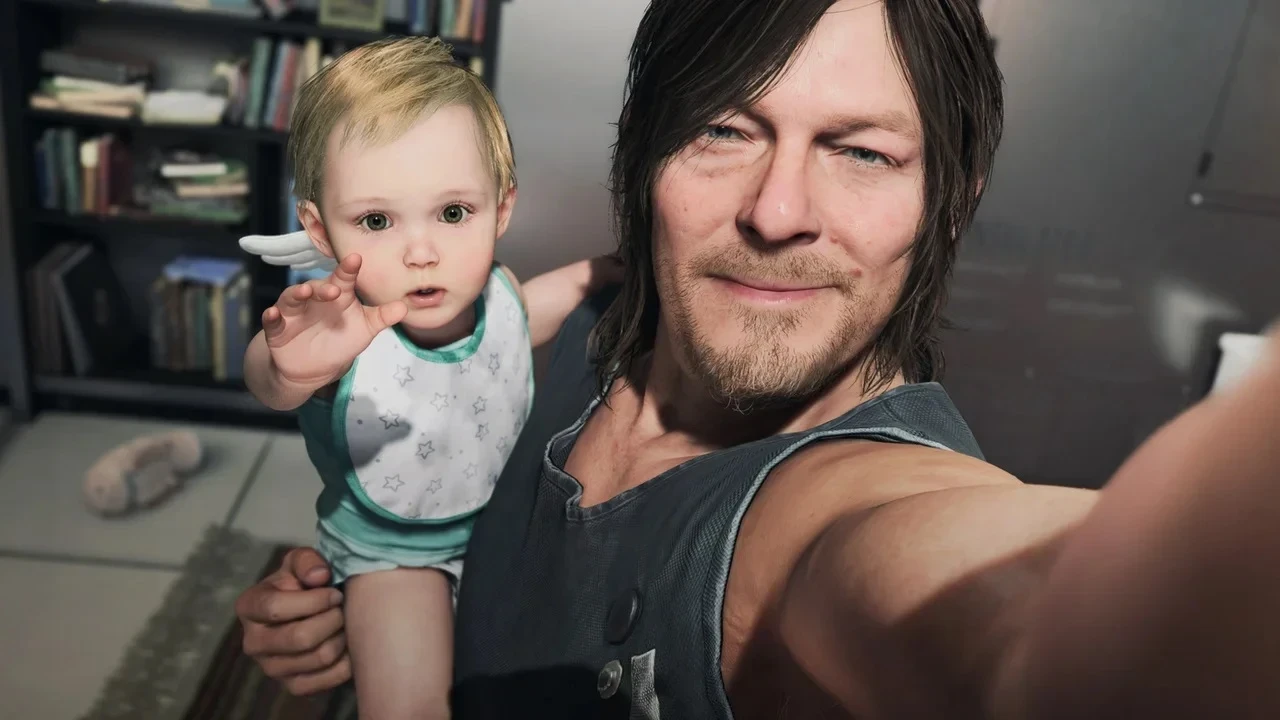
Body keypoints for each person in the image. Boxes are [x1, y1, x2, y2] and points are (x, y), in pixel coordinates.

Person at [235, 1, 1280, 718]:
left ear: (948, 205)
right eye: (723, 131)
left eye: (861, 151)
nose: (777, 212)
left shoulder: (851, 504)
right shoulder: (561, 329)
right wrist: (366, 609)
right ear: (642, 157)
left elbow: (1019, 622)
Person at [238, 36, 621, 719]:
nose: (422, 251)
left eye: (452, 213)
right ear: (321, 231)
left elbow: (537, 308)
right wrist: (287, 365)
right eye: (376, 220)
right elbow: (272, 382)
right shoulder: (340, 337)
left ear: (501, 207)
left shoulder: (501, 299)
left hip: (499, 527)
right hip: (395, 557)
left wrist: (619, 267)